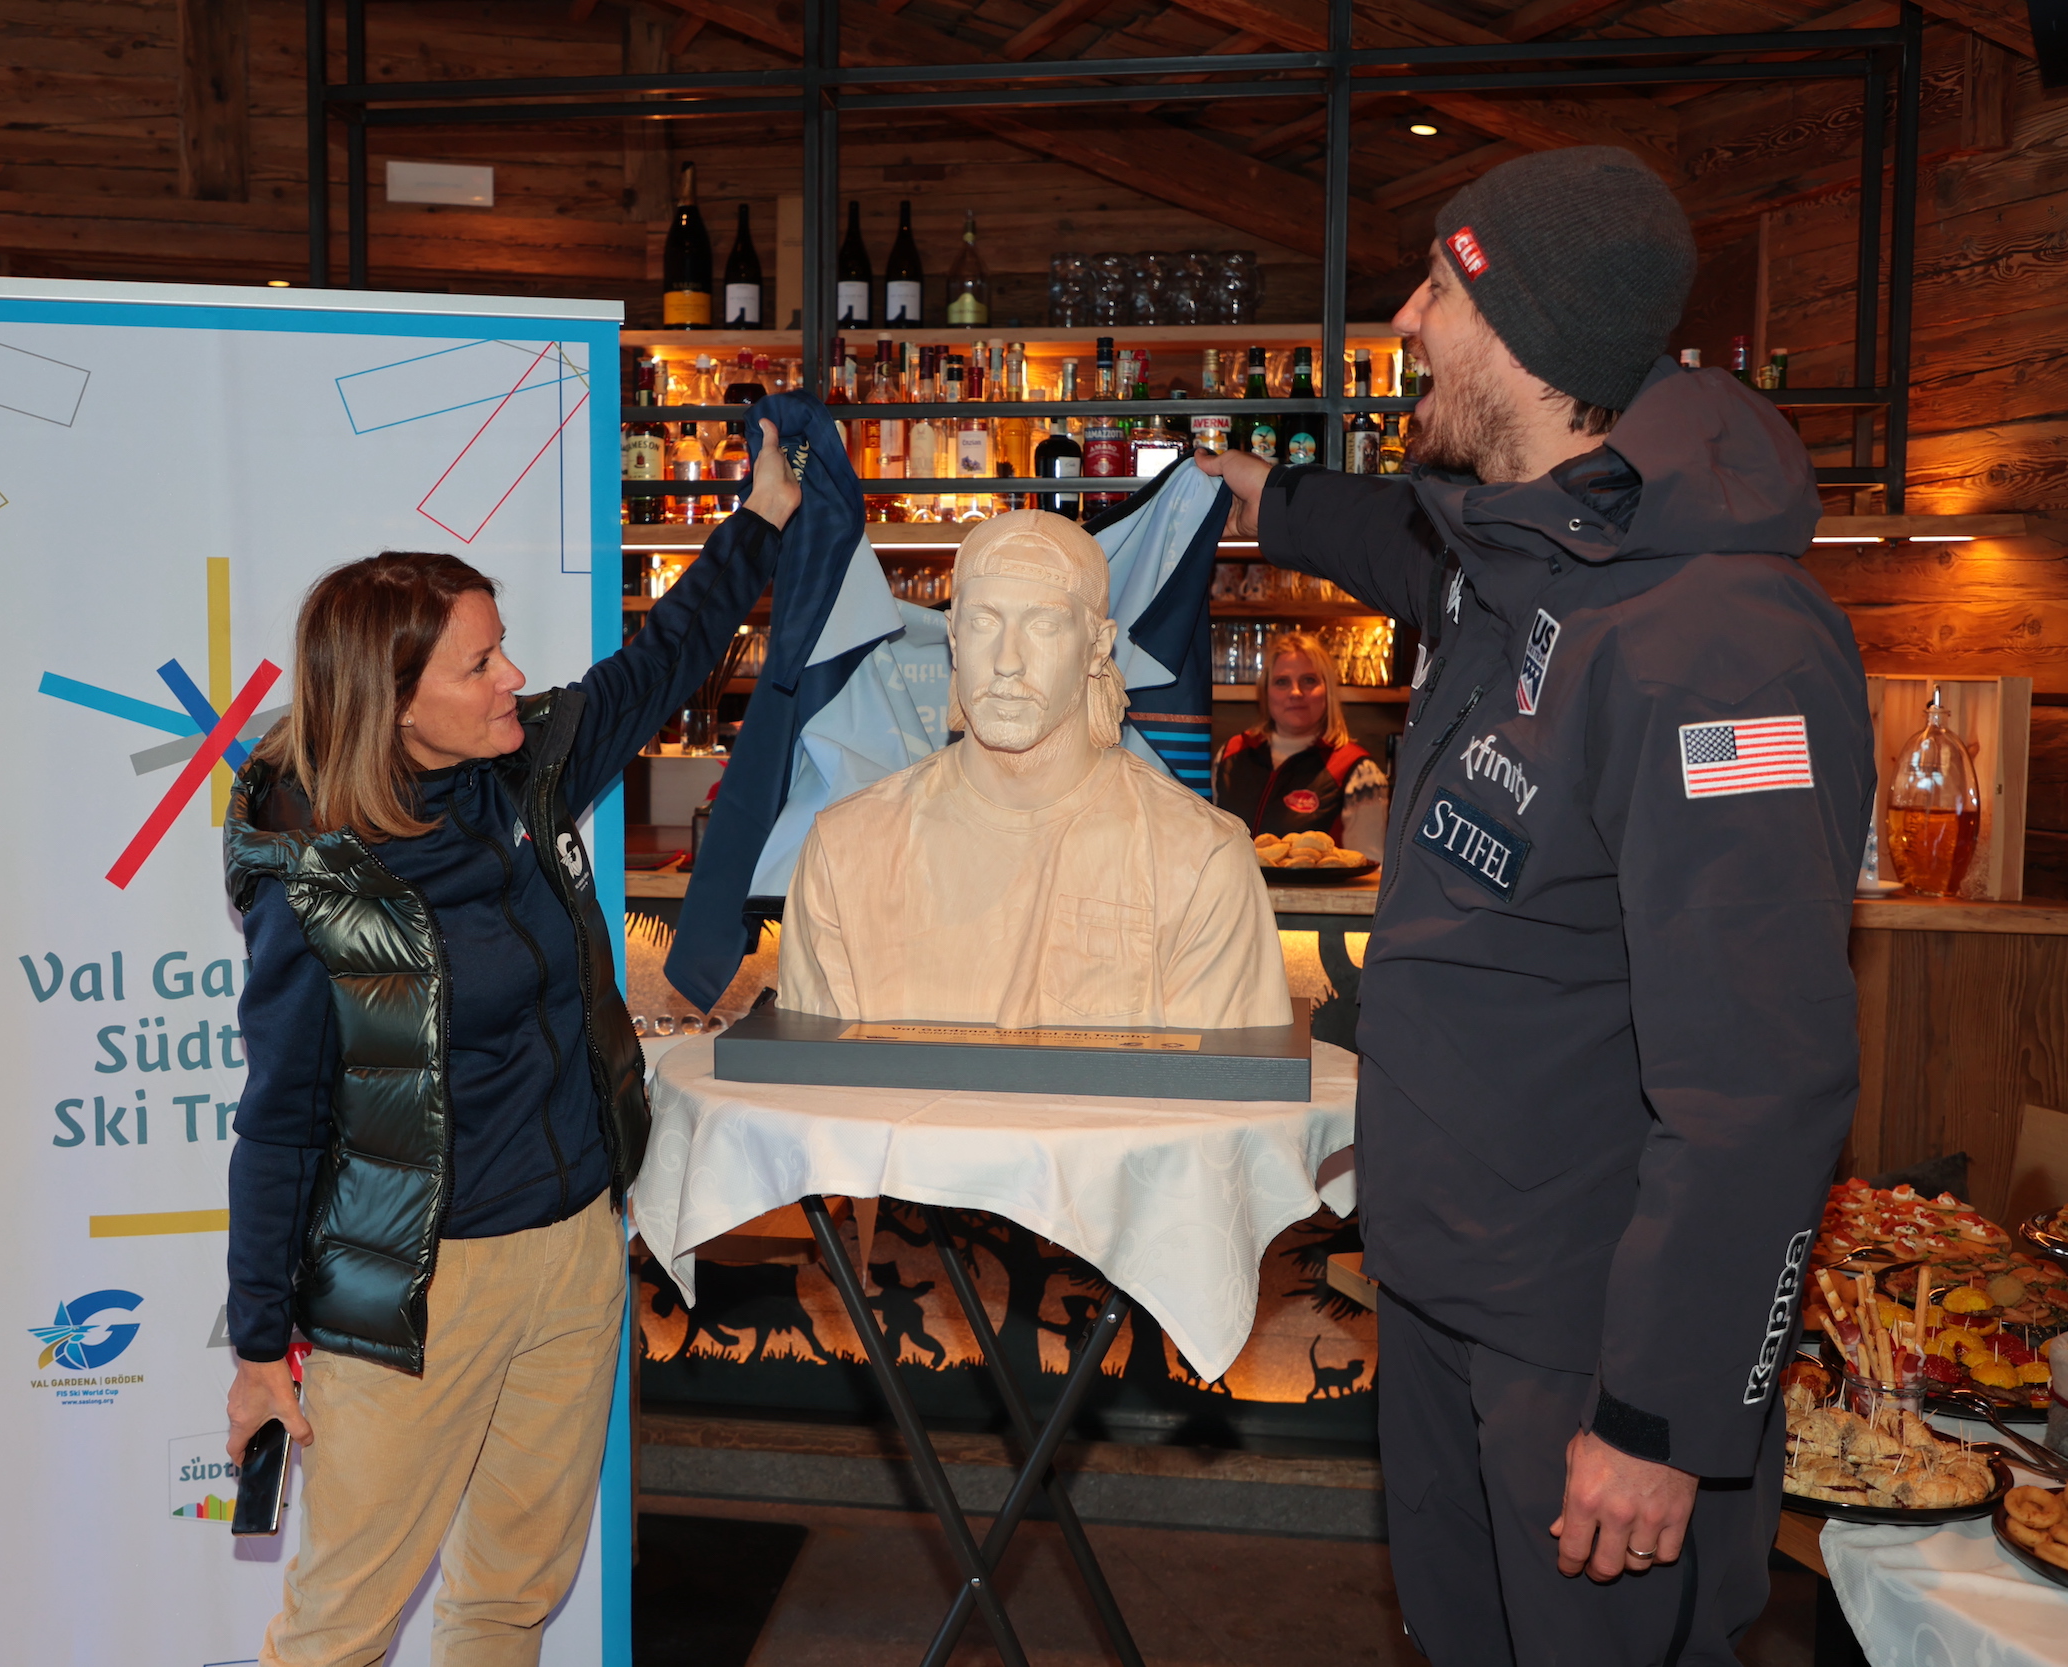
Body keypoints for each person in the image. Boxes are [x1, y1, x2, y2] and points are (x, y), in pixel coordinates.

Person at [1199, 147, 1873, 1664]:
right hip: (1448, 1291)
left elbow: (1759, 1083)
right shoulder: (1524, 552)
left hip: (1589, 1348)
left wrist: (1659, 1414)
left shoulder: (1717, 644)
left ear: (1532, 338)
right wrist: (1264, 495)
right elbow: (1400, 542)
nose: (1405, 318)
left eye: (1438, 289)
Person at [220, 420, 800, 1667]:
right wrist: (260, 1342)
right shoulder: (314, 875)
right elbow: (280, 1118)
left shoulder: (522, 767)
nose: (512, 677)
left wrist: (758, 520)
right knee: (339, 1624)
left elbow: (659, 660)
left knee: (508, 1597)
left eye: (501, 650)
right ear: (394, 700)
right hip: (415, 1288)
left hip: (575, 1249)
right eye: (479, 663)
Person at [779, 508, 1289, 1032]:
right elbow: (813, 1075)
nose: (1007, 660)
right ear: (953, 637)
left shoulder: (1199, 859)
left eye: (1044, 625)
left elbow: (1222, 1078)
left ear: (1097, 647)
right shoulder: (846, 850)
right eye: (983, 622)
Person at [1211, 630, 1388, 852]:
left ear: (1327, 691)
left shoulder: (1359, 771)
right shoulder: (1231, 754)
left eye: (1309, 680)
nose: (1295, 692)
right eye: (1282, 682)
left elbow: (1369, 866)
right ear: (1265, 692)